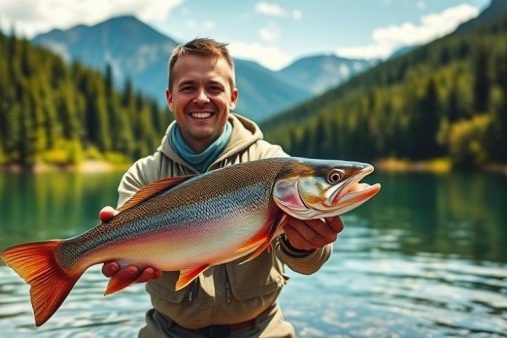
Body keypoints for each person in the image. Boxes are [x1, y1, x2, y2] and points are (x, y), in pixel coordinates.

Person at [98, 38, 344, 338]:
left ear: (233, 97)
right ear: (170, 98)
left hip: (262, 331)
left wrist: (303, 246)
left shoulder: (273, 163)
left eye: (214, 87)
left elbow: (309, 264)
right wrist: (119, 259)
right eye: (188, 87)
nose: (201, 98)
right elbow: (123, 258)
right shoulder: (143, 175)